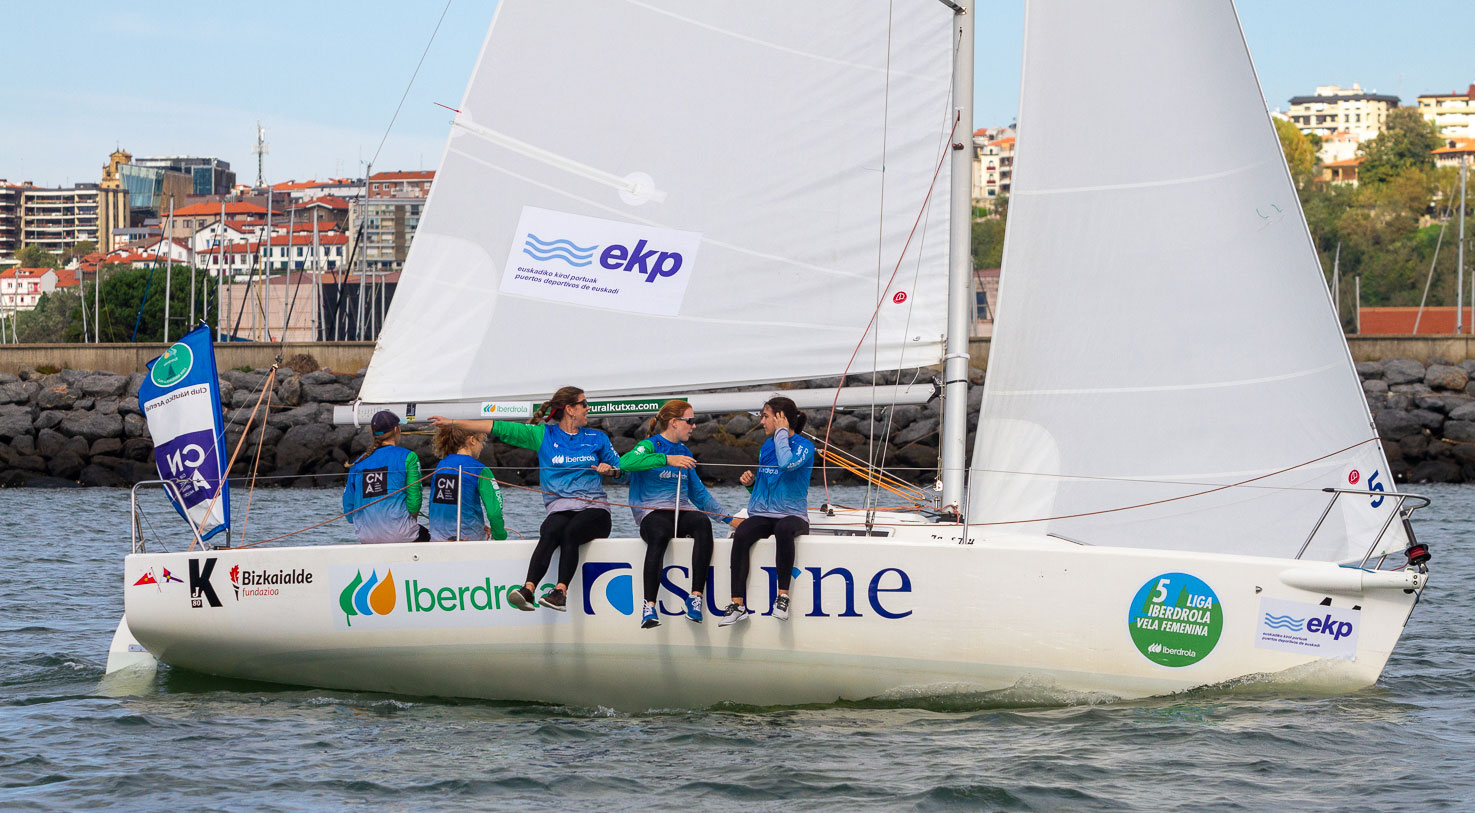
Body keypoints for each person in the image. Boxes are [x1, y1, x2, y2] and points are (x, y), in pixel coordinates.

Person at [431, 386, 619, 612]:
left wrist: (612, 472)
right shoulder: (543, 435)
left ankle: (560, 592)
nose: (589, 408)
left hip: (595, 510)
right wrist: (452, 423)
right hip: (561, 509)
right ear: (570, 409)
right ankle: (528, 590)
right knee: (549, 530)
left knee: (570, 532)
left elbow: (624, 470)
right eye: (584, 404)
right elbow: (497, 427)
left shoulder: (598, 438)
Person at [619, 400, 739, 629]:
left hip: (681, 510)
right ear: (674, 422)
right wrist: (666, 459)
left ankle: (695, 597)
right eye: (690, 421)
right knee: (660, 532)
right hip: (652, 513)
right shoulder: (650, 445)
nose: (694, 426)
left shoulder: (684, 452)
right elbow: (626, 462)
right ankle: (649, 606)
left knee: (702, 523)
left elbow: (699, 495)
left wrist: (730, 519)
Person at [719, 396, 814, 626]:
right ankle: (738, 604)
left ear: (781, 418)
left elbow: (785, 464)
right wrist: (751, 485)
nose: (762, 422)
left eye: (765, 416)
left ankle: (782, 598)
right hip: (764, 514)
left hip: (793, 516)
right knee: (741, 533)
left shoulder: (805, 447)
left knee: (783, 529)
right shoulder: (767, 445)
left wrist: (782, 433)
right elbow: (765, 488)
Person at [342, 410, 428, 544]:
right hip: (401, 535)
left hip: (366, 536)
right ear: (396, 429)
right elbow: (414, 503)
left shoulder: (357, 463)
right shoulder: (408, 457)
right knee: (427, 536)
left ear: (373, 433)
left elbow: (348, 509)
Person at [427, 424, 508, 542]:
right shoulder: (480, 469)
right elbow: (494, 512)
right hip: (469, 539)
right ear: (472, 440)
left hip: (438, 539)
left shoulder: (441, 466)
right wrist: (500, 534)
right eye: (482, 442)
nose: (481, 447)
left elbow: (440, 505)